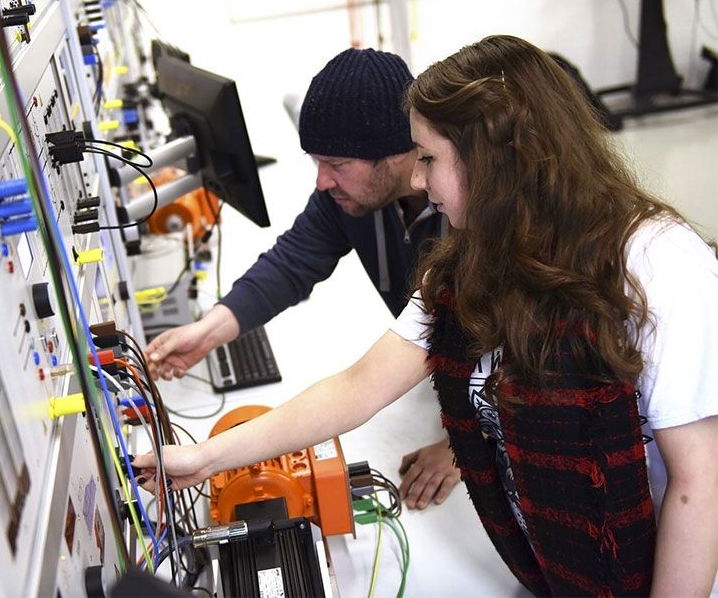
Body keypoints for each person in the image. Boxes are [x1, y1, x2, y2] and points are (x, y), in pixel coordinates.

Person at [134, 35, 718, 596]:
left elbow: (699, 484)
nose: (417, 177)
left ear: (496, 162)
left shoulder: (656, 261)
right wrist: (204, 458)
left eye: (430, 158)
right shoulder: (473, 259)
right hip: (552, 560)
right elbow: (357, 387)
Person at [144, 47, 461, 510]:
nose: (322, 182)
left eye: (336, 165)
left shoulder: (468, 217)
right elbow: (294, 260)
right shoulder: (353, 198)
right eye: (317, 163)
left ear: (398, 154)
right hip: (434, 372)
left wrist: (461, 447)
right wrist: (209, 330)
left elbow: (530, 351)